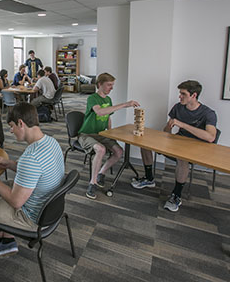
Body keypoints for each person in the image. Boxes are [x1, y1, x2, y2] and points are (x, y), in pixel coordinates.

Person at [0, 102, 65, 257]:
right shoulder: (51, 142)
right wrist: (10, 164)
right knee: (0, 189)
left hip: (33, 217)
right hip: (50, 206)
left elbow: (16, 202)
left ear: (21, 123)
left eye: (12, 126)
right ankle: (5, 237)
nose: (11, 131)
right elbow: (37, 171)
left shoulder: (31, 157)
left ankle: (5, 239)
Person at [133, 80, 217, 212]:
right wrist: (169, 126)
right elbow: (166, 132)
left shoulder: (208, 113)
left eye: (183, 94)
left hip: (196, 149)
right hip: (177, 142)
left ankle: (176, 195)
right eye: (180, 93)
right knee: (145, 144)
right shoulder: (178, 107)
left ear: (194, 95)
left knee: (182, 158)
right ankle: (149, 178)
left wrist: (182, 125)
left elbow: (211, 137)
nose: (180, 96)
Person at [78, 73, 139, 200]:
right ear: (100, 85)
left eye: (112, 85)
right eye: (109, 85)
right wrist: (125, 105)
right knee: (101, 149)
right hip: (86, 134)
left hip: (102, 134)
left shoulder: (108, 100)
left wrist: (111, 133)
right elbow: (100, 112)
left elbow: (108, 118)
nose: (111, 88)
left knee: (119, 151)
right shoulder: (93, 98)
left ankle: (101, 173)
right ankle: (92, 182)